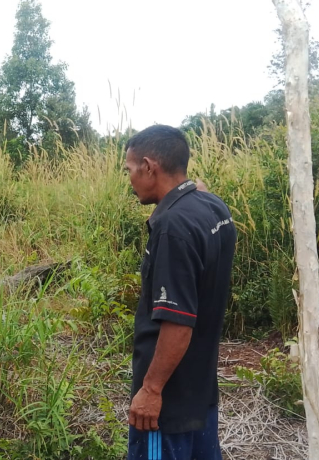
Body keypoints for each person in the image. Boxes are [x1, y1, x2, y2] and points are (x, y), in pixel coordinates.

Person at [124, 125, 236, 459]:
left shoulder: (173, 228)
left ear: (149, 166)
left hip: (167, 406)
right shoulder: (214, 208)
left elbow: (178, 323)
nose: (128, 179)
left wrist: (151, 390)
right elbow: (196, 190)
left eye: (129, 169)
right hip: (200, 392)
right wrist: (188, 191)